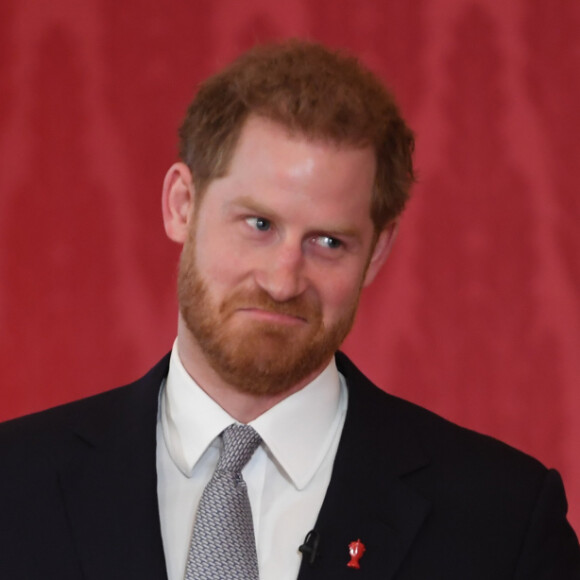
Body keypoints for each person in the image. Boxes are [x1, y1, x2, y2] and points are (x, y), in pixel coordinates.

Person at [0, 39, 578, 580]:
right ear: (182, 205)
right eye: (259, 225)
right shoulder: (14, 484)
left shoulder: (501, 520)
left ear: (376, 253)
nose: (282, 281)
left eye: (328, 242)